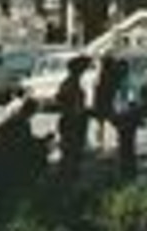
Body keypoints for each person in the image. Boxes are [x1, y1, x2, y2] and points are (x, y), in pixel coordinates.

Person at [99, 55, 141, 181]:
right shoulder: (119, 82)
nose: (118, 71)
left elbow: (132, 102)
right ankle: (126, 172)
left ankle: (128, 173)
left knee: (126, 147)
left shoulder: (128, 83)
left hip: (126, 117)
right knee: (125, 147)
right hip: (123, 117)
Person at [56, 54, 91, 183]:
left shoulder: (72, 82)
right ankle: (67, 179)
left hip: (74, 119)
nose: (84, 70)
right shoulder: (69, 83)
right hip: (72, 120)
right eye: (83, 68)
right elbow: (63, 100)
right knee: (71, 152)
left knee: (74, 152)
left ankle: (69, 177)